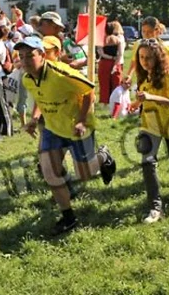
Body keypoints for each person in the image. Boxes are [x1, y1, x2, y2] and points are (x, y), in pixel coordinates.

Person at [16, 36, 116, 235]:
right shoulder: (28, 78)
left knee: (85, 174)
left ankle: (103, 157)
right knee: (50, 173)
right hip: (53, 128)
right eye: (21, 56)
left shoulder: (61, 74)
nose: (25, 60)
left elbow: (89, 91)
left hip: (76, 126)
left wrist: (80, 120)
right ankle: (68, 217)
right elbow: (40, 99)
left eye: (30, 55)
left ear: (42, 55)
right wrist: (34, 119)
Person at [132, 38, 169, 223]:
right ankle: (155, 208)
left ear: (158, 58)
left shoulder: (168, 76)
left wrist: (151, 96)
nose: (144, 61)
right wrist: (136, 103)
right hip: (150, 125)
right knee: (147, 162)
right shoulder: (143, 76)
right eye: (141, 57)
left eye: (148, 57)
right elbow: (146, 96)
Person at [96, 22, 123, 103]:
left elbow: (101, 53)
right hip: (115, 63)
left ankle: (104, 101)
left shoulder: (101, 39)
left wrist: (110, 57)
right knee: (116, 83)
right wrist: (116, 61)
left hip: (104, 63)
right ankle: (116, 100)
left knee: (104, 83)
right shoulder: (118, 39)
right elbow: (120, 53)